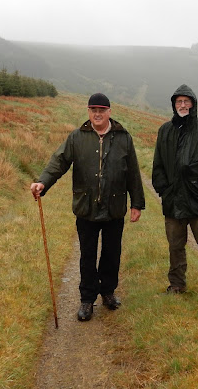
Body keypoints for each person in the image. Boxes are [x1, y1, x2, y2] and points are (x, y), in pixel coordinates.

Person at [30, 93, 145, 321]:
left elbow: (132, 172)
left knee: (112, 253)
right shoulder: (77, 137)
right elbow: (59, 162)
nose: (97, 114)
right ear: (88, 112)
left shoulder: (124, 138)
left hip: (114, 207)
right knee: (87, 255)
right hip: (86, 207)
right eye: (93, 110)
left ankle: (108, 292)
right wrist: (43, 182)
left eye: (102, 110)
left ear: (109, 112)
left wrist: (137, 203)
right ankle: (87, 299)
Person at [151, 84, 198, 305]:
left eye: (186, 101)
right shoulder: (165, 131)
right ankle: (177, 285)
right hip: (173, 201)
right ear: (174, 105)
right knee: (175, 246)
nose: (183, 105)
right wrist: (164, 190)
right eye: (179, 102)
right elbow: (158, 165)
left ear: (193, 104)